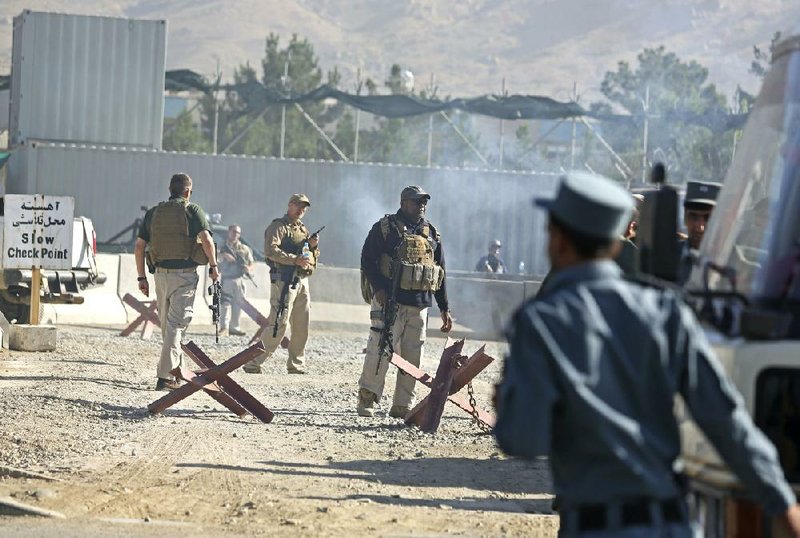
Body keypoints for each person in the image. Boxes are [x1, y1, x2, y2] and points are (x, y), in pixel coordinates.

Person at [493, 171, 800, 537]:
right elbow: (727, 422)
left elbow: (522, 438)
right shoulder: (665, 312)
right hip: (672, 525)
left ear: (558, 239)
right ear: (618, 244)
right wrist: (782, 504)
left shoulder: (541, 322)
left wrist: (510, 400)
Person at [357, 185, 454, 418]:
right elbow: (367, 260)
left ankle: (402, 405)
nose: (422, 205)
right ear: (403, 203)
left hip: (420, 305)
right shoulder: (385, 228)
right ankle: (367, 398)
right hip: (390, 301)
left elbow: (439, 271)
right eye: (416, 201)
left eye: (424, 201)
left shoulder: (432, 233)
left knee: (413, 356)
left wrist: (444, 308)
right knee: (379, 350)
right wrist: (379, 289)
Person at [134, 173, 219, 391]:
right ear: (188, 192)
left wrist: (141, 277)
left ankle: (177, 373)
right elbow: (208, 240)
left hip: (160, 275)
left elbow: (139, 246)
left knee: (169, 328)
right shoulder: (192, 210)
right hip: (184, 276)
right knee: (176, 325)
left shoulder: (154, 213)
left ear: (170, 189)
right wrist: (214, 266)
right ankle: (164, 377)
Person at [244, 194, 319, 375]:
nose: (301, 210)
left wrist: (313, 246)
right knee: (279, 324)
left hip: (301, 280)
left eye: (304, 207)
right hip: (284, 280)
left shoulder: (302, 229)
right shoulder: (278, 226)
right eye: (298, 206)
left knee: (301, 325)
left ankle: (296, 364)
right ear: (290, 205)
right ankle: (253, 362)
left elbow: (308, 255)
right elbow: (271, 251)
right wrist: (295, 260)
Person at [676, 180, 721, 285]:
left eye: (708, 218)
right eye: (693, 217)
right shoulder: (669, 257)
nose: (700, 227)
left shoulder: (732, 262)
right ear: (685, 218)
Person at [217, 224, 255, 336]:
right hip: (227, 279)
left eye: (237, 232)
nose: (235, 234)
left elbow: (251, 263)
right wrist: (224, 255)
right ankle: (224, 328)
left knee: (238, 305)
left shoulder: (244, 248)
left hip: (240, 279)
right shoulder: (222, 247)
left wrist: (248, 268)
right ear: (229, 232)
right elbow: (214, 256)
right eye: (233, 232)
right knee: (225, 304)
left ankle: (235, 327)